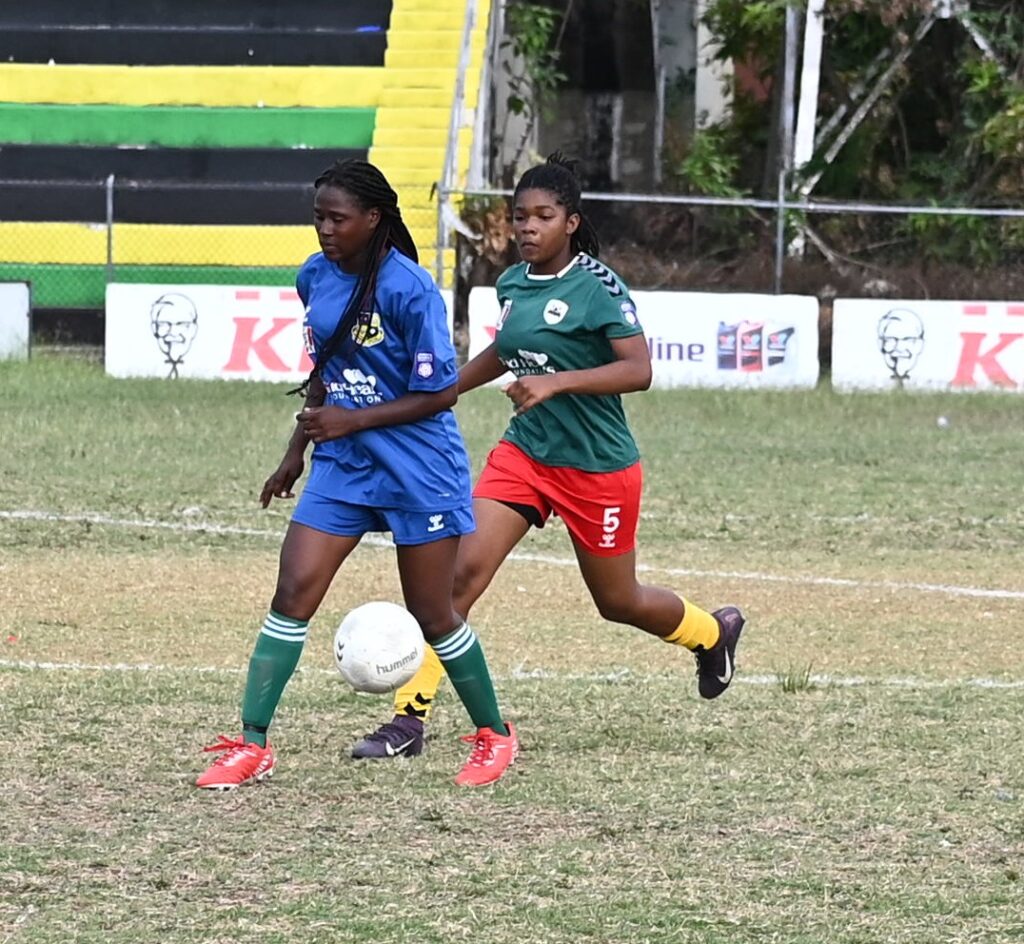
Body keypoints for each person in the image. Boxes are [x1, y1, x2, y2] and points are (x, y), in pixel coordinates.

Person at [352, 153, 745, 761]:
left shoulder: (598, 286)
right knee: (455, 579)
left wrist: (557, 383)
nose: (528, 227)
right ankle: (408, 720)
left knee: (619, 601)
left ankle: (711, 633)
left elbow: (638, 370)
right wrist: (441, 392)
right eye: (519, 217)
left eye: (543, 216)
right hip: (525, 455)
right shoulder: (513, 283)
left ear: (571, 222)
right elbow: (507, 351)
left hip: (597, 466)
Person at [196, 159, 518, 790]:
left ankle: (493, 737)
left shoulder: (410, 288)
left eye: (337, 218)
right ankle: (253, 745)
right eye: (318, 216)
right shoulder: (314, 277)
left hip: (417, 469)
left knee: (434, 614)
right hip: (343, 469)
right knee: (292, 596)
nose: (324, 229)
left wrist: (353, 421)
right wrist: (299, 446)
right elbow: (326, 368)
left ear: (373, 220)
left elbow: (442, 393)